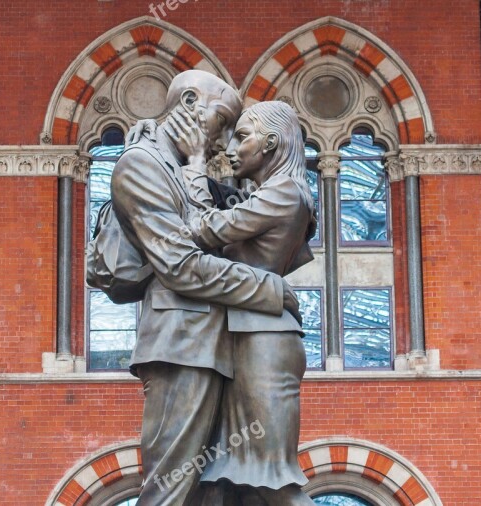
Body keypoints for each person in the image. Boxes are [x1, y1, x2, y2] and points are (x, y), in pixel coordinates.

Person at [109, 70, 302, 505]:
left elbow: (241, 217)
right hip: (183, 346)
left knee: (217, 491)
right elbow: (181, 266)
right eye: (225, 120)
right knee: (170, 489)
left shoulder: (178, 166)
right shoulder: (142, 164)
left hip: (223, 345)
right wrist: (270, 289)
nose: (225, 139)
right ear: (192, 102)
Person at [166, 101, 317, 505]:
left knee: (270, 477)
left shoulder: (285, 191)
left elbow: (202, 230)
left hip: (263, 341)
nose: (232, 148)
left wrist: (196, 165)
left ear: (270, 143)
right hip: (241, 338)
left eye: (243, 136)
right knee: (223, 481)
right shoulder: (269, 194)